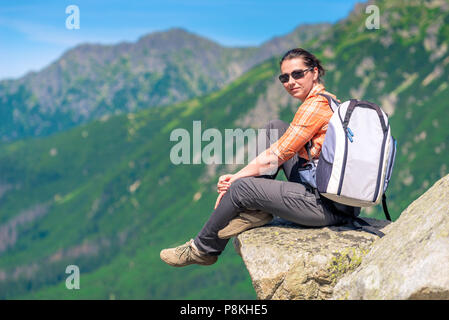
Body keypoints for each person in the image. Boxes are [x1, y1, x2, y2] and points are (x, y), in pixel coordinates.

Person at [160, 48, 360, 267]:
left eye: (297, 74)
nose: (290, 81)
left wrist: (235, 179)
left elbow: (275, 156)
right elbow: (284, 148)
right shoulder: (330, 100)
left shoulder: (315, 106)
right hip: (334, 196)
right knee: (275, 128)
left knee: (241, 188)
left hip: (327, 207)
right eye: (284, 77)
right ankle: (255, 210)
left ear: (314, 72)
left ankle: (203, 249)